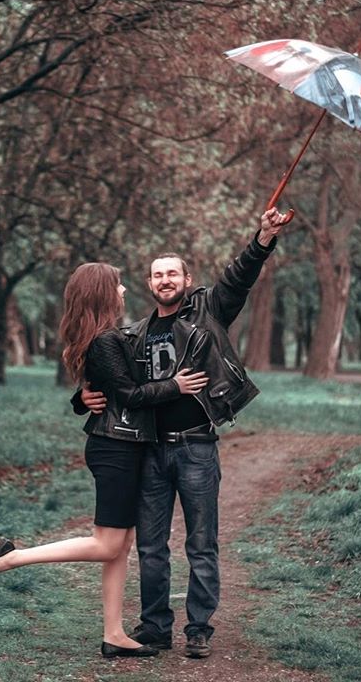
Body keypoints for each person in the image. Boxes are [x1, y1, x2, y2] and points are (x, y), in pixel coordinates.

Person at [0, 262, 209, 659]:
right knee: (107, 544)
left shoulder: (106, 338)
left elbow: (105, 391)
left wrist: (81, 399)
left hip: (124, 447)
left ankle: (114, 634)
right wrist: (176, 385)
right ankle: (11, 558)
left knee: (119, 547)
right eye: (117, 285)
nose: (124, 291)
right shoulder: (104, 341)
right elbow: (131, 394)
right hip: (115, 449)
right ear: (102, 292)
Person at [78, 207, 287, 659]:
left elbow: (239, 277)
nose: (165, 280)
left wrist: (264, 237)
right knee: (151, 546)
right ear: (150, 284)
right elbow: (114, 384)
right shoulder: (132, 334)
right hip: (149, 451)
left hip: (196, 446)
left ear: (187, 281)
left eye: (173, 273)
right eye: (157, 275)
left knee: (200, 542)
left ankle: (198, 628)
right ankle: (154, 627)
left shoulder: (209, 310)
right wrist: (82, 399)